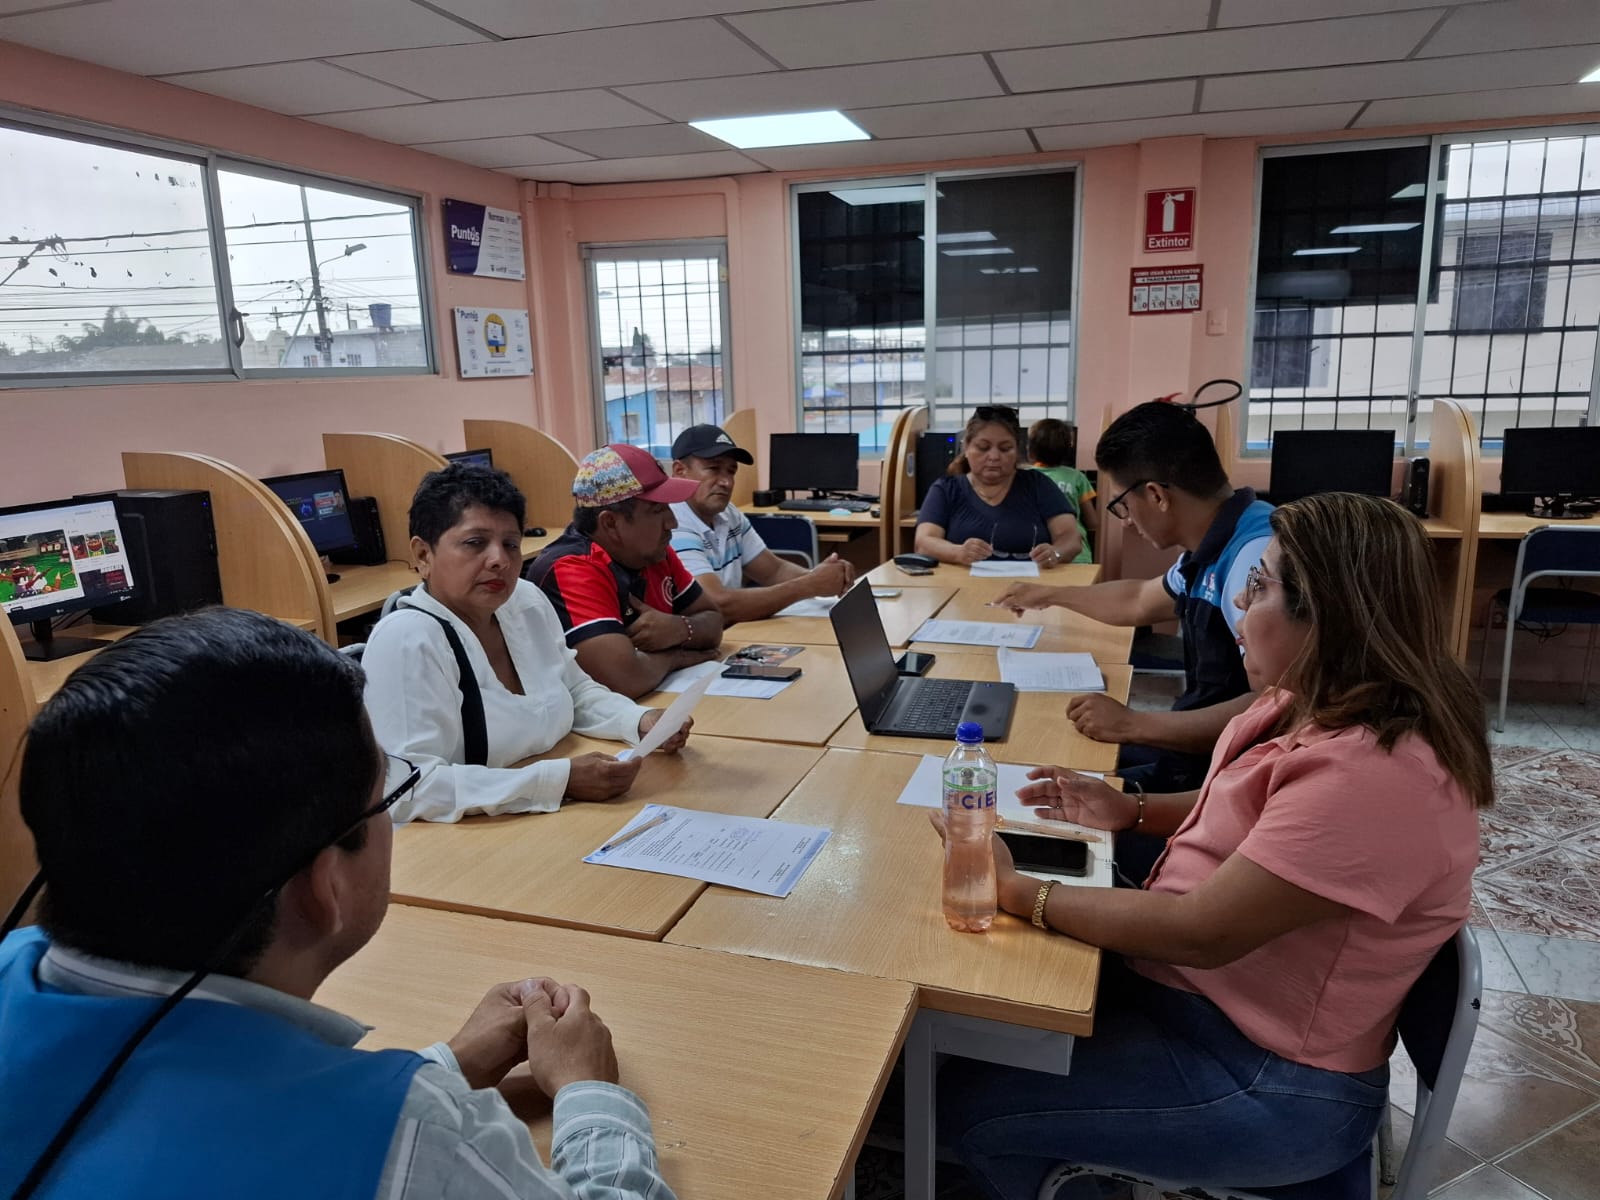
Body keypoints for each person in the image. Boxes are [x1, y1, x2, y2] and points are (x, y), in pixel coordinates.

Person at [1, 607, 675, 1200]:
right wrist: (591, 1094)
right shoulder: (404, 1137)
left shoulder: (14, 963)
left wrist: (447, 1066)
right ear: (325, 887)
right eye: (386, 798)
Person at [937, 493, 1491, 1199]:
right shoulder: (1310, 699)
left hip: (1268, 1078)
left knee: (975, 1109)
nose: (1239, 606)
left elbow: (1199, 932)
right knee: (985, 1022)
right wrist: (1131, 810)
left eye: (1258, 587)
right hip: (1210, 1004)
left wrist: (1017, 889)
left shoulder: (1376, 774)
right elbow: (1255, 819)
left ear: (1329, 615)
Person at [362, 463, 688, 824]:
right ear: (424, 555)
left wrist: (639, 720)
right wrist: (557, 781)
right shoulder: (407, 640)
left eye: (511, 544)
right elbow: (407, 789)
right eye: (475, 543)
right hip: (466, 837)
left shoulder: (525, 601)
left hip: (546, 817)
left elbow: (574, 691)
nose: (499, 560)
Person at [996, 401, 1272, 802]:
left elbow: (1277, 705)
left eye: (1123, 504)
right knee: (1046, 758)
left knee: (1036, 793)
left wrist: (1132, 724)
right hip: (1198, 757)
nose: (1126, 519)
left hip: (1226, 784)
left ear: (1157, 495)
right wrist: (1050, 595)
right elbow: (1140, 600)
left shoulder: (1254, 560)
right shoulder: (1220, 538)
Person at [526, 443, 724, 699]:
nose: (672, 522)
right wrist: (676, 657)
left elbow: (714, 622)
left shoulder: (654, 552)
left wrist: (678, 628)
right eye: (657, 510)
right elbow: (623, 679)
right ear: (611, 523)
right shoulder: (571, 567)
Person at [667, 423, 853, 623]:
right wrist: (811, 584)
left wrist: (825, 577)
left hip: (729, 632)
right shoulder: (672, 524)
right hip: (700, 638)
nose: (726, 482)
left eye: (731, 471)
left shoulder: (728, 514)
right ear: (679, 471)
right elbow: (716, 604)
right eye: (713, 469)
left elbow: (774, 571)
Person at [915, 405, 1082, 568]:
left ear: (1017, 450)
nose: (994, 456)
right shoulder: (946, 489)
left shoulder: (1039, 485)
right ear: (966, 448)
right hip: (962, 584)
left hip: (1032, 583)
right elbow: (924, 542)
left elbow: (1071, 539)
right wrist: (958, 552)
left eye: (1005, 449)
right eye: (983, 448)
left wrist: (1056, 553)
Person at [1026, 418, 1096, 564]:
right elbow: (1093, 522)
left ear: (1030, 450)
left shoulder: (1025, 478)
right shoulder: (1077, 477)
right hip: (1078, 556)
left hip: (1037, 555)